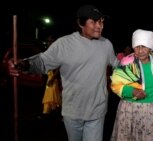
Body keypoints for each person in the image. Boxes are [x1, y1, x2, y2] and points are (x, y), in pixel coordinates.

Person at [8, 4, 118, 141]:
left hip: (97, 111)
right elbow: (43, 62)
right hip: (73, 111)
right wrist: (22, 64)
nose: (99, 26)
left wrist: (133, 64)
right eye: (94, 21)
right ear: (80, 23)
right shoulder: (64, 44)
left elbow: (116, 64)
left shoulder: (106, 44)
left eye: (101, 21)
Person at [110, 29, 153, 141]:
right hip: (129, 108)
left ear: (150, 47)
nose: (140, 51)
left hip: (150, 109)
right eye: (137, 47)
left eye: (144, 46)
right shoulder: (127, 62)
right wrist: (132, 91)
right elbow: (115, 84)